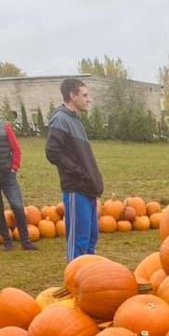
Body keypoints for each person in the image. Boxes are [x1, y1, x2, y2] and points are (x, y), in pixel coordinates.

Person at [45, 78, 103, 261]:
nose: (89, 99)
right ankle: (75, 281)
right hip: (76, 189)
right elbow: (52, 151)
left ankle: (90, 278)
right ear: (72, 95)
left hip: (88, 187)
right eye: (84, 95)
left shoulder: (75, 120)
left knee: (90, 239)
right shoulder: (60, 119)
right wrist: (78, 171)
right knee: (79, 241)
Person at [0, 120, 38, 252]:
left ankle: (25, 241)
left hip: (7, 175)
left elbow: (16, 148)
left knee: (17, 206)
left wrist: (14, 167)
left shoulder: (5, 127)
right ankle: (7, 241)